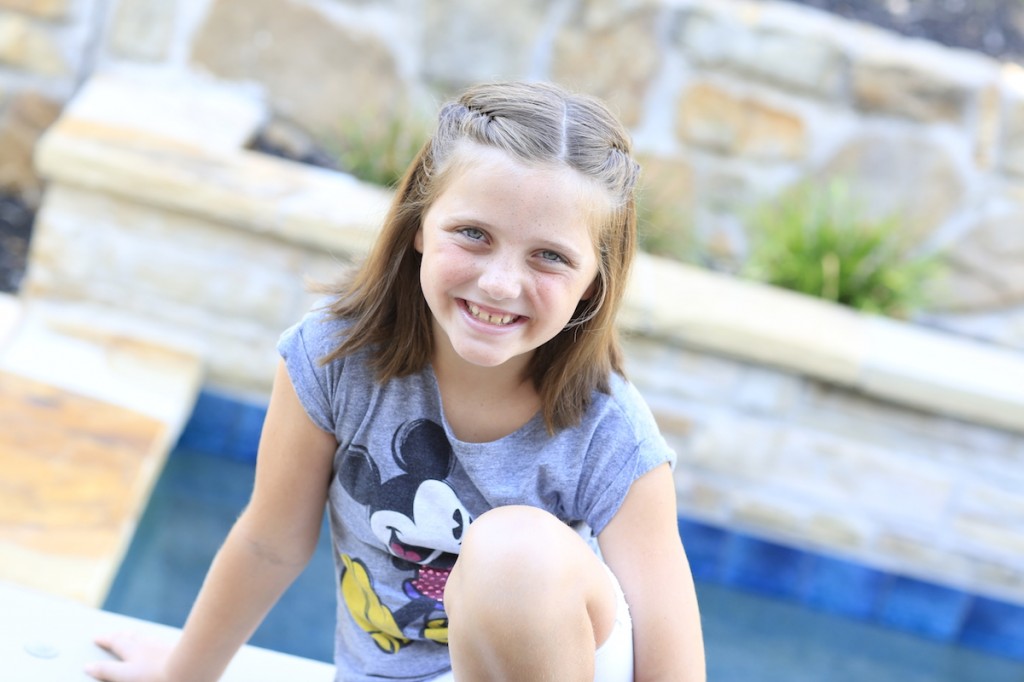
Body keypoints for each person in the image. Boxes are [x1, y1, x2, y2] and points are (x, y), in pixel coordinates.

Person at [85, 80, 706, 682]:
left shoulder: (610, 433)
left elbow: (668, 652)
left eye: (550, 256)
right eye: (473, 234)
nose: (499, 282)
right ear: (418, 225)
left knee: (514, 556)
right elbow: (270, 543)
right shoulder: (334, 359)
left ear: (595, 280)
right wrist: (180, 674)